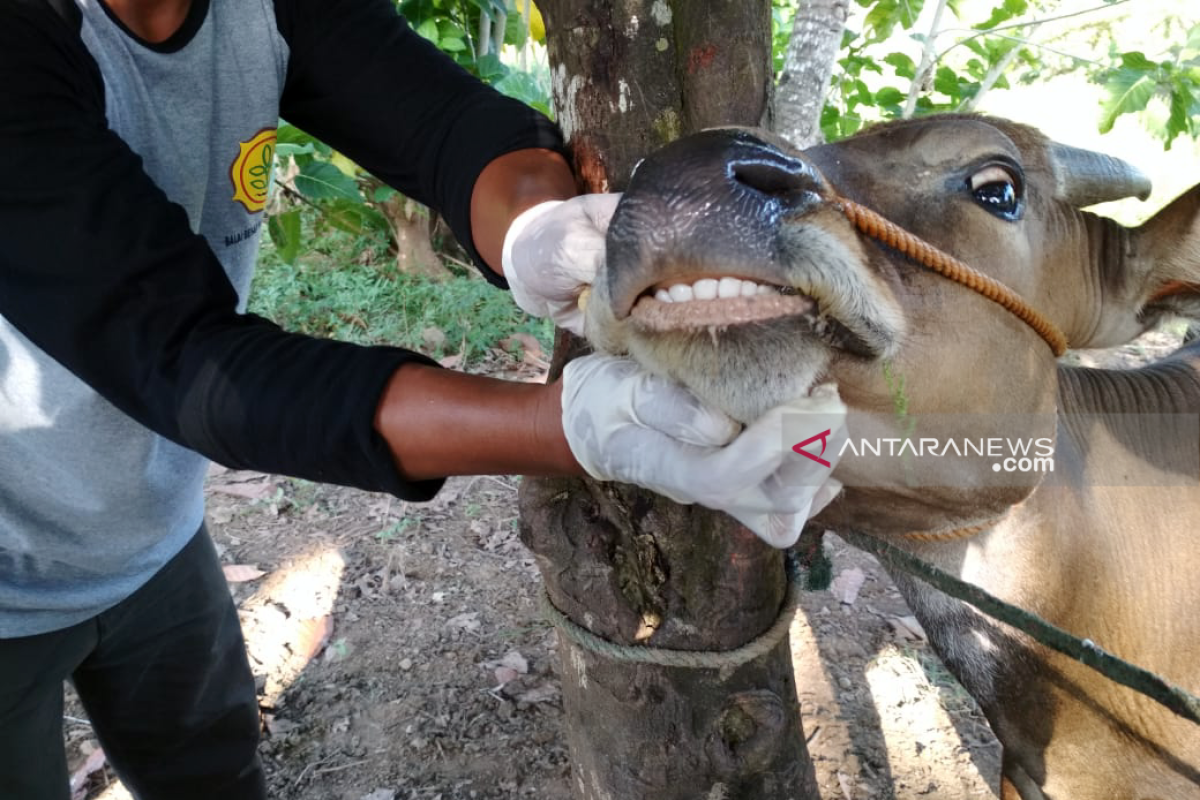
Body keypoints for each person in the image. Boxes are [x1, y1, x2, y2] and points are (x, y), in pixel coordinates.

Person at [0, 0, 846, 797]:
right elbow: (183, 359)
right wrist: (573, 426)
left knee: (212, 765)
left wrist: (538, 229)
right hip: (11, 561)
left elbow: (445, 126)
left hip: (150, 527)